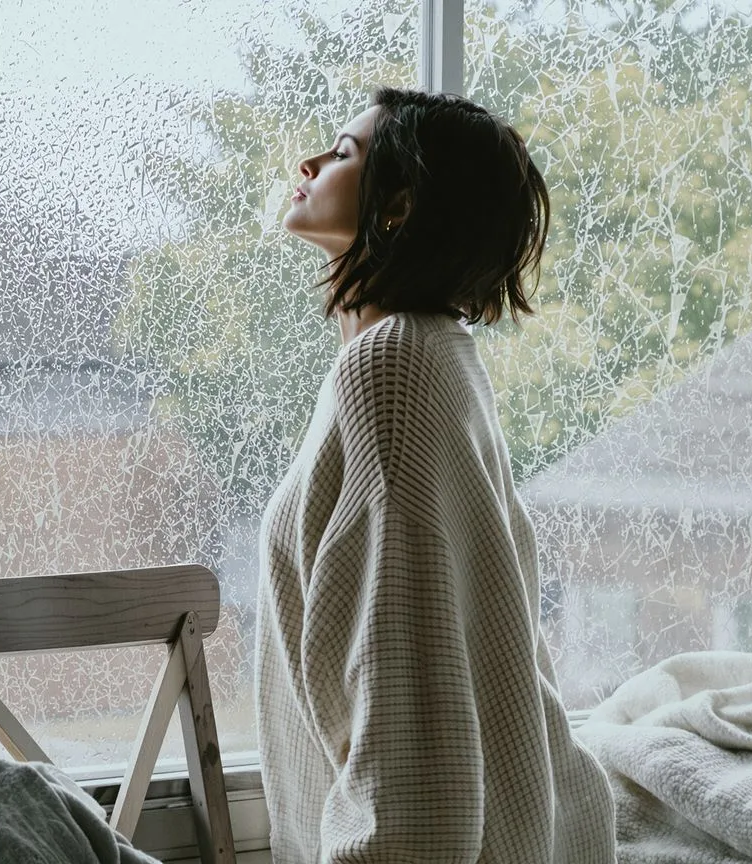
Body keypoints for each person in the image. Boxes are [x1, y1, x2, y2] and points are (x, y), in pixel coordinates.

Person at [254, 87, 616, 863]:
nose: (309, 162)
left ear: (399, 205)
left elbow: (409, 697)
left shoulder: (392, 371)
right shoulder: (431, 353)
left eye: (345, 152)